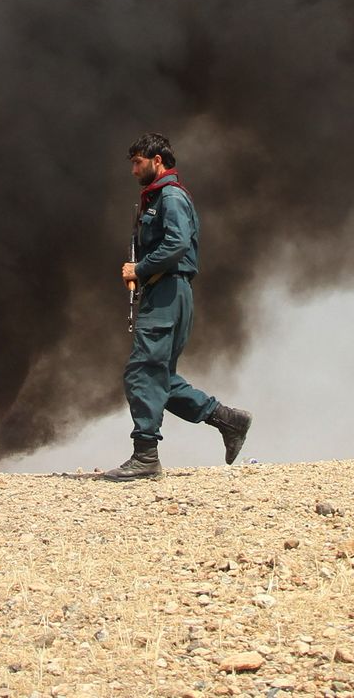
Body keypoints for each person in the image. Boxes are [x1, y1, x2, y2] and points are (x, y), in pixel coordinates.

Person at [103, 132, 253, 480]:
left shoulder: (170, 197)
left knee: (142, 372)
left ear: (157, 161)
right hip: (167, 292)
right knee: (161, 377)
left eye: (138, 162)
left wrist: (139, 269)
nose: (133, 170)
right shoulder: (159, 197)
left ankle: (145, 456)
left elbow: (176, 243)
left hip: (168, 293)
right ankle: (228, 420)